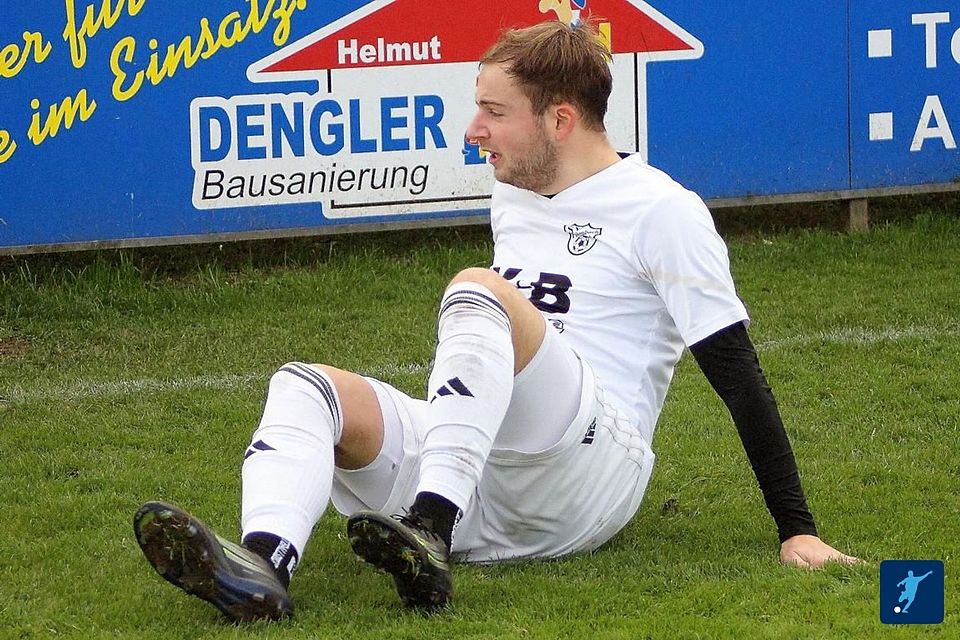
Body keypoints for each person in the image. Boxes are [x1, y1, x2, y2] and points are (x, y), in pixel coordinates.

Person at [133, 19, 857, 623]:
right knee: (304, 385)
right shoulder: (513, 193)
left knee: (479, 290)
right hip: (491, 473)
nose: (473, 130)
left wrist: (797, 529)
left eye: (494, 111)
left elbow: (737, 373)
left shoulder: (663, 211)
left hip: (593, 469)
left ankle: (430, 528)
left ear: (560, 119)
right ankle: (263, 566)